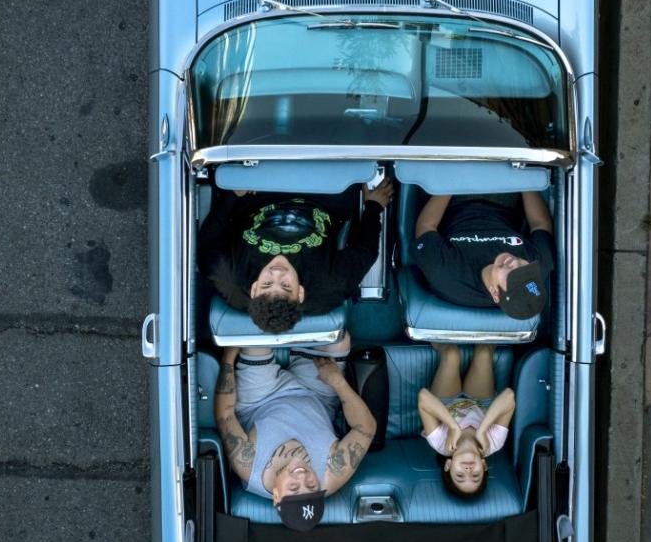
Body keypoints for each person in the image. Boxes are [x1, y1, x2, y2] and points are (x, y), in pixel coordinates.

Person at [214, 333, 376, 530]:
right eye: (311, 486)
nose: (302, 478)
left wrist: (228, 357)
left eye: (293, 488)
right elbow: (365, 428)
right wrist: (338, 383)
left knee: (254, 332)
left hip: (260, 398)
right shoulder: (332, 474)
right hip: (316, 396)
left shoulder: (249, 465)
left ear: (276, 496)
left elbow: (225, 416)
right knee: (339, 339)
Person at [200, 178, 394, 332]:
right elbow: (365, 251)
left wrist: (233, 194)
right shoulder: (330, 286)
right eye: (285, 285)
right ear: (300, 292)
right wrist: (373, 206)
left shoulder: (227, 278)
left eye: (266, 283)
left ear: (253, 289)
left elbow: (209, 240)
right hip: (325, 196)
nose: (277, 273)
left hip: (260, 191)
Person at [412, 190, 554, 320]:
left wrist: (452, 181)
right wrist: (525, 183)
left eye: (512, 275)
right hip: (503, 199)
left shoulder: (447, 274)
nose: (514, 262)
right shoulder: (538, 265)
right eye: (523, 267)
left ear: (494, 293)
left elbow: (426, 226)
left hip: (453, 201)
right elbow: (540, 224)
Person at [417, 343, 515, 500]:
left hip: (446, 402)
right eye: (475, 475)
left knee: (451, 354)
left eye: (460, 475)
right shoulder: (494, 443)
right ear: (483, 466)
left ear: (448, 466)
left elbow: (423, 397)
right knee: (483, 352)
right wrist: (482, 430)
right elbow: (509, 396)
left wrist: (453, 428)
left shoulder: (440, 443)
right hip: (480, 402)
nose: (468, 470)